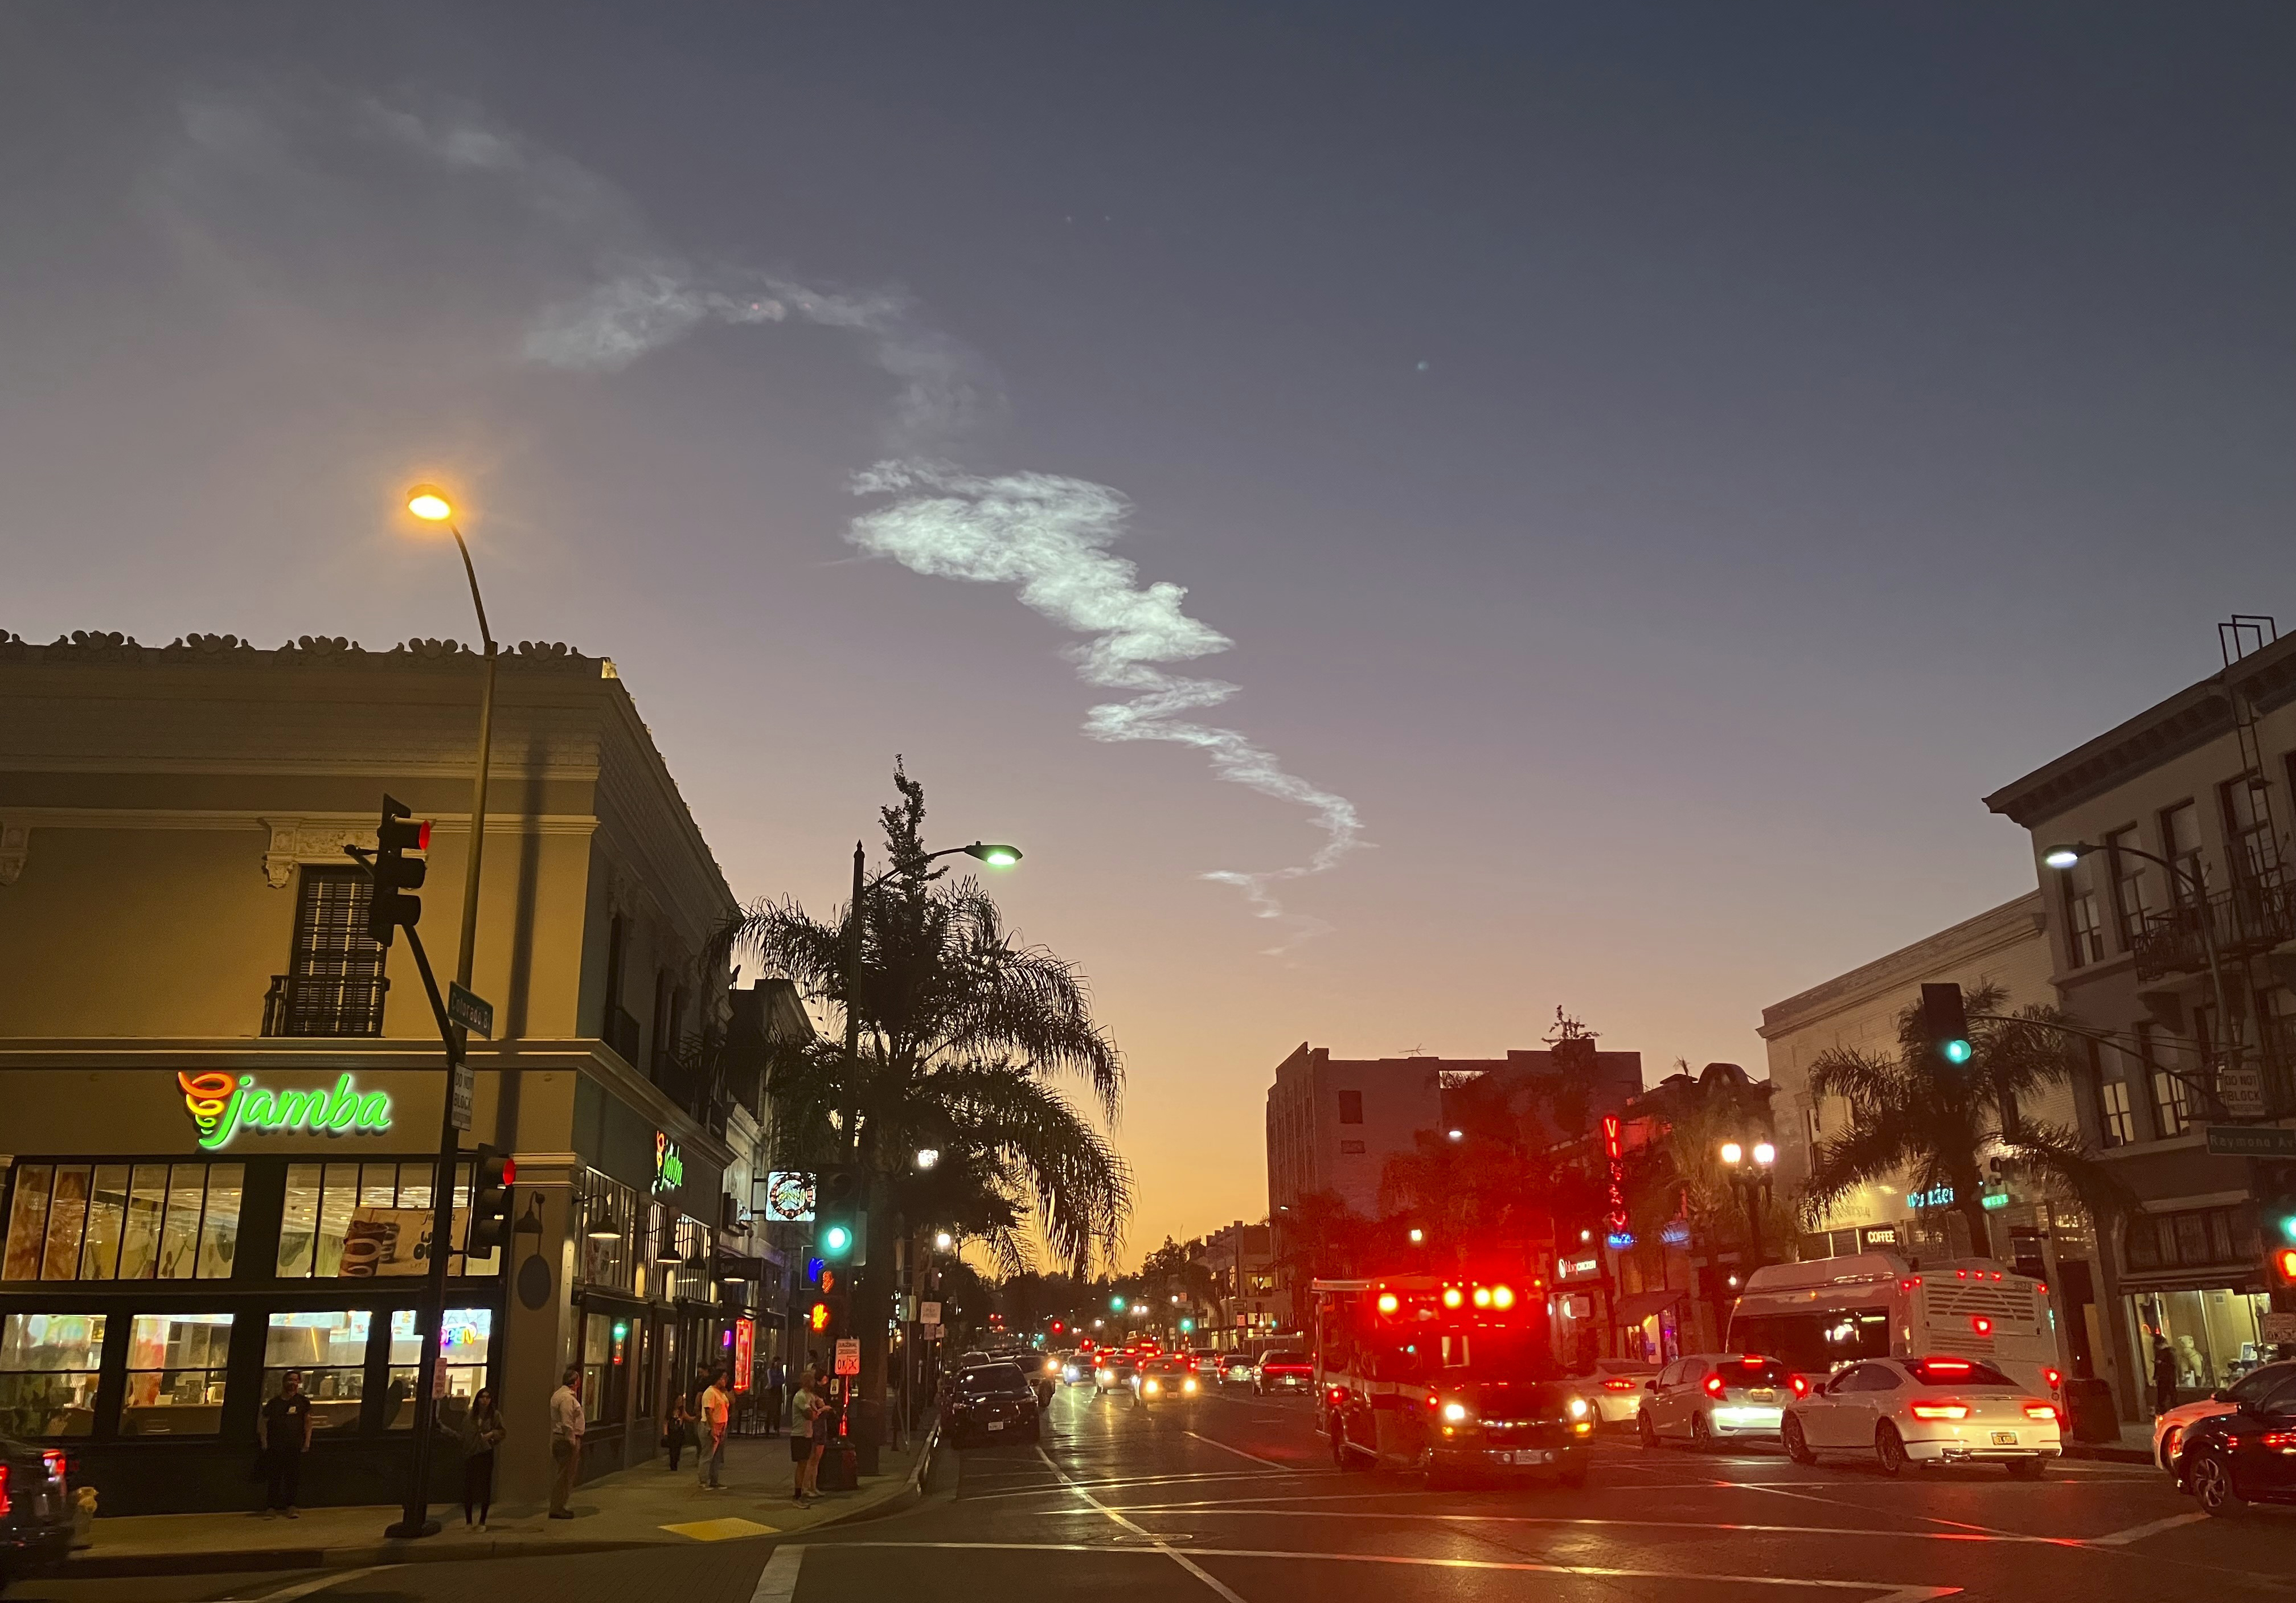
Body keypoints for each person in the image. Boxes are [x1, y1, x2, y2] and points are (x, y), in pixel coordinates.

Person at [257, 1370, 314, 1518]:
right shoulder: (274, 1403)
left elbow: (308, 1422)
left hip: (295, 1445)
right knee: (274, 1476)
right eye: (290, 1380)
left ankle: (291, 1506)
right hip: (276, 1445)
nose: (293, 1383)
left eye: (296, 1380)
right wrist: (265, 1441)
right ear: (284, 1382)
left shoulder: (303, 1402)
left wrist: (307, 1441)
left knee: (292, 1477)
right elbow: (264, 1423)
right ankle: (271, 1508)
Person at [459, 1388, 506, 1530]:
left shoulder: (494, 1415)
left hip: (485, 1453)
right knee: (469, 1488)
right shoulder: (470, 1416)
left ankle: (482, 1522)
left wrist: (492, 1434)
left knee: (485, 1487)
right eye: (482, 1397)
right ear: (477, 1399)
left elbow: (502, 1432)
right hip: (471, 1453)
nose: (485, 1400)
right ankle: (468, 1522)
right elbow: (463, 1434)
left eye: (488, 1397)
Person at [549, 1364, 584, 1519]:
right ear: (575, 1381)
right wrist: (572, 1441)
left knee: (564, 1474)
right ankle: (558, 1507)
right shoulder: (566, 1398)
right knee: (565, 1475)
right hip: (566, 1439)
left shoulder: (562, 1395)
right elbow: (567, 1422)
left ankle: (560, 1505)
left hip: (562, 1437)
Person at [788, 1370, 820, 1503]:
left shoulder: (809, 1396)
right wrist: (818, 1412)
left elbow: (816, 1404)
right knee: (802, 1464)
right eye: (812, 1380)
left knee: (805, 1463)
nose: (814, 1382)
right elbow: (810, 1415)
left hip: (807, 1433)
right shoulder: (801, 1396)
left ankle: (800, 1490)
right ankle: (798, 1492)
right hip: (799, 1434)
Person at [698, 1366, 731, 1490]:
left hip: (721, 1425)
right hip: (711, 1425)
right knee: (708, 1455)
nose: (725, 1381)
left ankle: (714, 1480)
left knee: (717, 1456)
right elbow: (708, 1411)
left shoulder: (721, 1392)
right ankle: (703, 1481)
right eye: (723, 1378)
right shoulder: (710, 1392)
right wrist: (712, 1429)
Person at [664, 1384, 692, 1471]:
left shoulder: (682, 1411)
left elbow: (688, 1418)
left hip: (679, 1432)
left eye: (681, 1400)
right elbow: (666, 1422)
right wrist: (665, 1433)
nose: (680, 1402)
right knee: (672, 1449)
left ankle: (675, 1462)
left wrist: (697, 1418)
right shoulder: (671, 1411)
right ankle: (673, 1463)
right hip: (672, 1431)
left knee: (678, 1448)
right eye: (679, 1400)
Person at [2152, 1337, 2178, 1415]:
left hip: (2167, 1377)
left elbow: (2172, 1365)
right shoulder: (2166, 1352)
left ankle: (2169, 1410)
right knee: (2166, 1395)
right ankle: (2166, 1411)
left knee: (2168, 1395)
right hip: (2165, 1377)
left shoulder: (2169, 1353)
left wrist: (2161, 1364)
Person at [762, 1358, 785, 1438]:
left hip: (778, 1391)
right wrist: (777, 1381)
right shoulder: (770, 1371)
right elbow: (772, 1381)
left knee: (778, 1410)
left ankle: (777, 1427)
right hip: (772, 1391)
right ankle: (767, 1427)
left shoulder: (780, 1371)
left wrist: (778, 1380)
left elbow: (783, 1380)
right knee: (770, 1410)